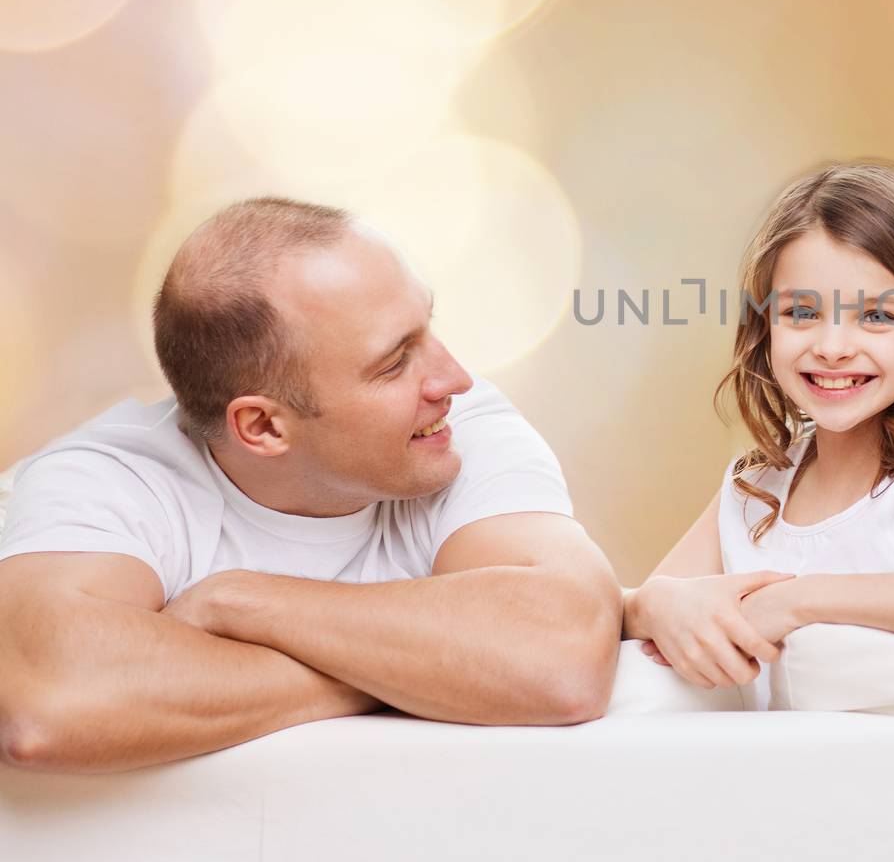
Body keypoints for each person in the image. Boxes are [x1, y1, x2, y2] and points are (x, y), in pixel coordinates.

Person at [0, 197, 621, 774]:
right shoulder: (104, 481)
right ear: (264, 426)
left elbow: (563, 656)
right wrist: (427, 673)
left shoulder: (451, 427)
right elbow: (47, 706)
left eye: (427, 327)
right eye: (394, 361)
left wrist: (241, 602)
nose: (453, 377)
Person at [624, 162, 894, 707]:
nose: (833, 346)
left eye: (877, 315)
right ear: (766, 329)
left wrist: (804, 600)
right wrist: (655, 605)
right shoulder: (757, 488)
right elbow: (637, 609)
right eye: (802, 312)